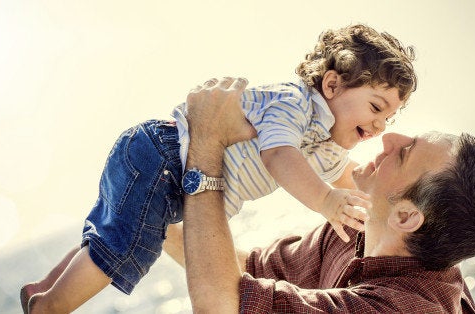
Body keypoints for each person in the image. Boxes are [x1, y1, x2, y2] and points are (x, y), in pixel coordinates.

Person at [21, 24, 417, 313]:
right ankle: (50, 307)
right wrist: (327, 201)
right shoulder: (295, 104)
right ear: (331, 85)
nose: (381, 125)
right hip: (164, 156)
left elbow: (348, 183)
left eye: (390, 117)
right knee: (126, 248)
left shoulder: (328, 145)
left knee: (117, 232)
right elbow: (279, 155)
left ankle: (44, 288)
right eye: (376, 107)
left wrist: (383, 206)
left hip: (171, 173)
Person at [167, 76, 475, 312]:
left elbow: (223, 304)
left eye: (405, 152)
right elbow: (252, 271)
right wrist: (144, 214)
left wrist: (206, 144)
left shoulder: (406, 308)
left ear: (406, 217)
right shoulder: (356, 229)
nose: (389, 138)